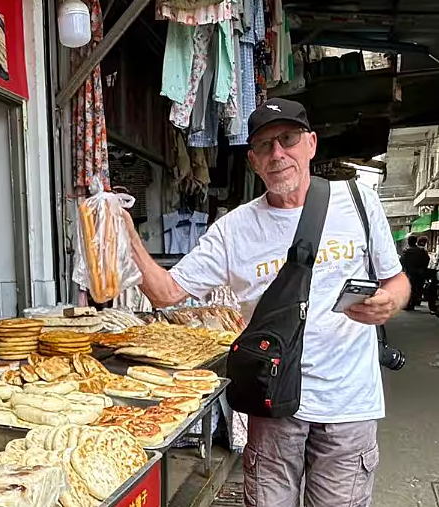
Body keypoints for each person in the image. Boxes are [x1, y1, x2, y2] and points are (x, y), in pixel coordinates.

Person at [122, 98, 410, 507]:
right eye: (264, 146)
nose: (278, 154)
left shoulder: (360, 203)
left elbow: (397, 280)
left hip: (350, 403)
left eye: (288, 139)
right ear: (253, 161)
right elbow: (166, 292)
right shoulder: (234, 230)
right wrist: (126, 233)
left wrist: (390, 301)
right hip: (272, 402)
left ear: (310, 143)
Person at [400, 235, 430, 310]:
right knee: (418, 288)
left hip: (409, 272)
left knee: (410, 288)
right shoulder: (422, 251)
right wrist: (423, 268)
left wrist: (405, 268)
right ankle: (415, 301)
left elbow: (402, 261)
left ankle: (410, 304)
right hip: (420, 272)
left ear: (409, 242)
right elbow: (427, 260)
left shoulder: (406, 251)